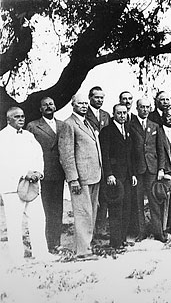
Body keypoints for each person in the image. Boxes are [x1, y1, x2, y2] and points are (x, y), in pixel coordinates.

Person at [0, 107, 55, 264]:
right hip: (12, 185)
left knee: (38, 219)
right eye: (17, 117)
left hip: (32, 185)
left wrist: (38, 172)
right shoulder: (2, 137)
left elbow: (39, 156)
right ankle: (17, 257)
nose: (21, 119)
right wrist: (25, 173)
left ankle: (41, 253)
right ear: (8, 119)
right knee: (14, 222)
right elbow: (4, 162)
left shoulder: (29, 136)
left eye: (23, 116)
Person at [59, 94, 102, 260]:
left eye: (85, 103)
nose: (84, 106)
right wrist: (73, 179)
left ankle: (87, 245)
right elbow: (66, 154)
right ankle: (83, 251)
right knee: (83, 213)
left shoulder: (88, 123)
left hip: (94, 175)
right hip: (81, 178)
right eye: (80, 103)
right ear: (73, 105)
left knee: (91, 213)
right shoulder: (69, 124)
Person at [26, 97, 65, 252]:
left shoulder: (62, 125)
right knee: (44, 209)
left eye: (51, 104)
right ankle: (43, 244)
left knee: (57, 209)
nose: (49, 106)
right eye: (45, 105)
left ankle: (56, 242)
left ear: (55, 107)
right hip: (43, 173)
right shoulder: (33, 126)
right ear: (40, 109)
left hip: (59, 173)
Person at [99, 104, 137, 248]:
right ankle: (115, 242)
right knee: (115, 209)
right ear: (113, 114)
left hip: (127, 176)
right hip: (115, 176)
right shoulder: (107, 131)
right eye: (119, 113)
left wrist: (132, 174)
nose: (122, 116)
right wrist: (109, 174)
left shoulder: (127, 130)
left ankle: (122, 239)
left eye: (124, 113)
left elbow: (130, 154)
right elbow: (105, 154)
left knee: (126, 208)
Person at [129, 98, 166, 242]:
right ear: (137, 108)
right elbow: (129, 152)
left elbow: (160, 149)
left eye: (147, 107)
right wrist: (132, 172)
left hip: (152, 168)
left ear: (150, 108)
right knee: (138, 202)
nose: (144, 109)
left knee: (154, 201)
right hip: (138, 170)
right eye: (142, 107)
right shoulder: (131, 125)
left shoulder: (155, 126)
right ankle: (141, 232)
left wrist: (161, 168)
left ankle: (158, 232)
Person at [85, 86, 111, 239]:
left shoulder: (106, 115)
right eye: (96, 97)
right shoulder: (84, 114)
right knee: (90, 199)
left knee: (104, 197)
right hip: (91, 159)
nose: (99, 100)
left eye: (102, 97)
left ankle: (100, 229)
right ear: (90, 98)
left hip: (105, 158)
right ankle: (90, 232)